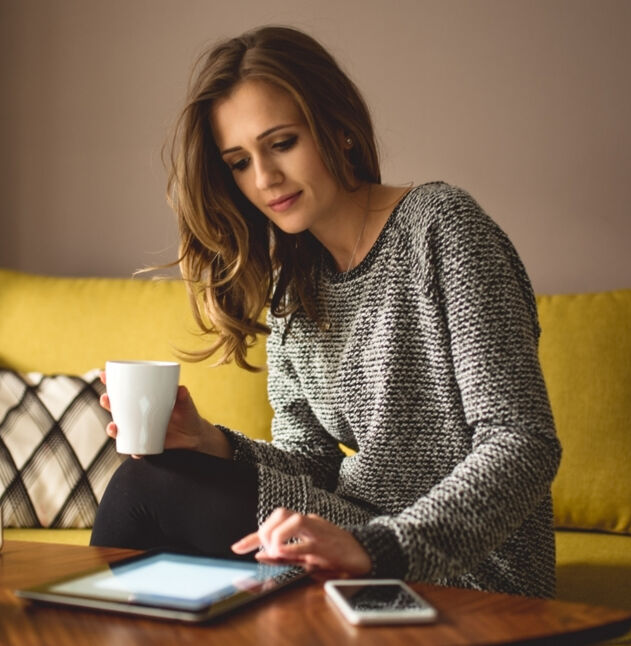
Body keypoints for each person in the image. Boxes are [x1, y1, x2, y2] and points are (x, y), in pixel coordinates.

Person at [89, 25, 562, 599]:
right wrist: (211, 442)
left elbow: (524, 441)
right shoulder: (295, 285)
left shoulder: (443, 229)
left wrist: (375, 547)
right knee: (147, 478)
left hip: (471, 565)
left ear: (338, 128)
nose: (264, 180)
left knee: (145, 493)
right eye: (239, 162)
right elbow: (311, 463)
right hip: (354, 534)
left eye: (282, 143)